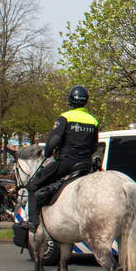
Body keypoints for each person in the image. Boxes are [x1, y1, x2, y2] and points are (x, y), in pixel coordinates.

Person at [24, 86, 100, 233]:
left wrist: (47, 152)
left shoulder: (65, 117)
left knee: (33, 186)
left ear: (70, 100)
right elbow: (94, 145)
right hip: (85, 164)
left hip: (67, 162)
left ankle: (33, 222)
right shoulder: (93, 120)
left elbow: (55, 139)